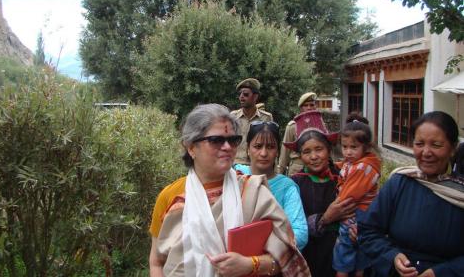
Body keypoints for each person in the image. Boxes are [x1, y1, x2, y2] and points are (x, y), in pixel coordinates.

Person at [149, 104, 310, 277]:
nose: (227, 147)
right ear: (190, 147)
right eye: (216, 140)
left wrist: (251, 264)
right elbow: (157, 262)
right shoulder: (171, 196)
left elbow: (287, 258)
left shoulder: (253, 192)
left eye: (233, 140)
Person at [358, 111, 464, 277]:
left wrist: (441, 272)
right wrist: (392, 256)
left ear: (453, 148)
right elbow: (368, 231)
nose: (426, 152)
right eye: (419, 144)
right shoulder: (399, 183)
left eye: (436, 145)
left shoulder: (460, 193)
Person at [284, 111, 356, 277]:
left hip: (345, 256)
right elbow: (291, 229)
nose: (314, 157)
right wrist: (326, 218)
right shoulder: (294, 184)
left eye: (319, 149)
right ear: (300, 155)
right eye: (306, 152)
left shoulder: (345, 177)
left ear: (329, 149)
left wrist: (358, 228)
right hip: (311, 258)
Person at [233, 120, 308, 250]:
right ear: (247, 150)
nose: (263, 153)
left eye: (270, 147)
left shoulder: (286, 187)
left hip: (270, 263)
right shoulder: (236, 175)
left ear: (278, 151)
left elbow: (300, 234)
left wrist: (266, 246)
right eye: (257, 146)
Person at [333, 114, 381, 277]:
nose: (348, 152)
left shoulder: (363, 168)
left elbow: (348, 197)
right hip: (362, 218)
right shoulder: (355, 163)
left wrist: (334, 206)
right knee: (359, 260)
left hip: (354, 218)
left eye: (353, 147)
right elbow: (345, 166)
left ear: (366, 147)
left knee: (343, 260)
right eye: (345, 147)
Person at [231, 78, 273, 165]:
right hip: (236, 164)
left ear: (255, 97)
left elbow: (271, 144)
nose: (241, 97)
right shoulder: (233, 117)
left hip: (257, 164)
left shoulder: (266, 118)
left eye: (245, 94)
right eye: (240, 94)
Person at [278, 92, 320, 175]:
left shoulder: (320, 125)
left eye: (312, 105)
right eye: (306, 105)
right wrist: (279, 173)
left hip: (316, 166)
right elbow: (285, 152)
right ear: (301, 108)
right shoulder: (293, 126)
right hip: (297, 168)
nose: (309, 108)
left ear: (315, 107)